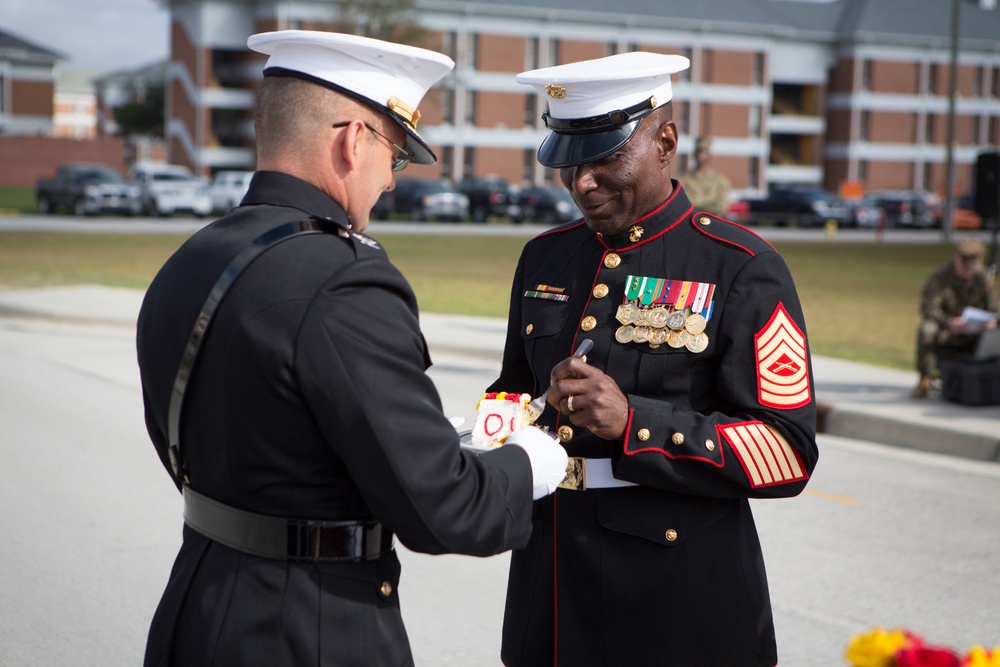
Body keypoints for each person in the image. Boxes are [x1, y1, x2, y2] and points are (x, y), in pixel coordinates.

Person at [135, 30, 569, 667]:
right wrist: (529, 462)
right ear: (353, 140)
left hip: (198, 600)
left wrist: (420, 439)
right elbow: (443, 511)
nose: (391, 184)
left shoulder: (194, 256)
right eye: (394, 157)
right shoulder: (344, 279)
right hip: (306, 627)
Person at [489, 52, 820, 666]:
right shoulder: (544, 258)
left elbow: (788, 452)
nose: (581, 183)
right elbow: (514, 387)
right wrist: (494, 425)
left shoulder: (739, 265)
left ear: (665, 140)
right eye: (568, 163)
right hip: (552, 589)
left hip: (676, 605)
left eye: (604, 158)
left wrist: (633, 423)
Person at [912, 237, 999, 398]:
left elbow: (994, 308)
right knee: (927, 329)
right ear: (957, 258)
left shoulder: (982, 278)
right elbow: (928, 307)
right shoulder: (941, 276)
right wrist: (949, 322)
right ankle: (925, 377)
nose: (968, 272)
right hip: (947, 327)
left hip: (975, 329)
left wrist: (991, 322)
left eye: (972, 268)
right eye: (966, 267)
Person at [678, 134, 731, 217]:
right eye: (699, 152)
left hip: (711, 223)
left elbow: (721, 207)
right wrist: (708, 204)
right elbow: (682, 205)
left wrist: (695, 205)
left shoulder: (719, 181)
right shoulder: (683, 180)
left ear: (710, 155)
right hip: (690, 222)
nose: (701, 156)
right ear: (694, 154)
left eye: (704, 152)